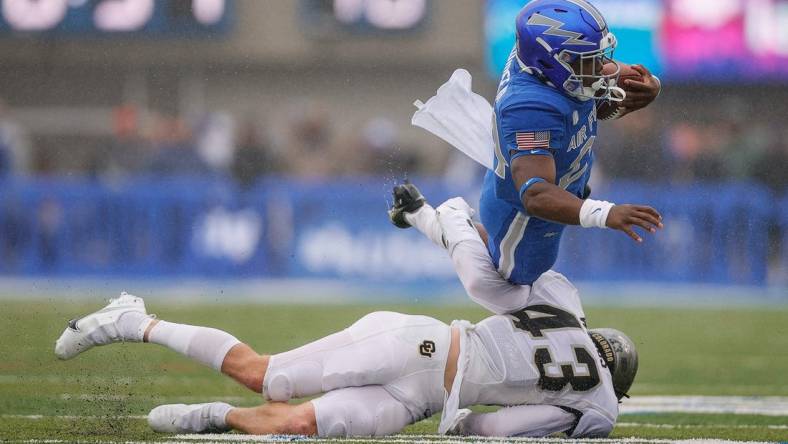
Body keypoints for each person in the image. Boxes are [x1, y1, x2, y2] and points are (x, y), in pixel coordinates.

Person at [54, 191, 637, 439]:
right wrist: (473, 420)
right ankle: (135, 319)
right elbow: (493, 428)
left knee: (299, 424)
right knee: (269, 377)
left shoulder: (564, 303)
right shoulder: (599, 406)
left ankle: (209, 417)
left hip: (425, 380)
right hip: (421, 356)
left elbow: (492, 260)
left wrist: (431, 220)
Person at [482, 0, 663, 285]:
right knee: (511, 279)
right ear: (554, 60)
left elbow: (593, 103)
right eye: (590, 59)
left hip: (558, 184)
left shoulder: (549, 70)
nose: (603, 66)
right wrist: (605, 214)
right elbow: (536, 194)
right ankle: (444, 221)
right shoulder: (530, 106)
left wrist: (647, 86)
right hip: (523, 216)